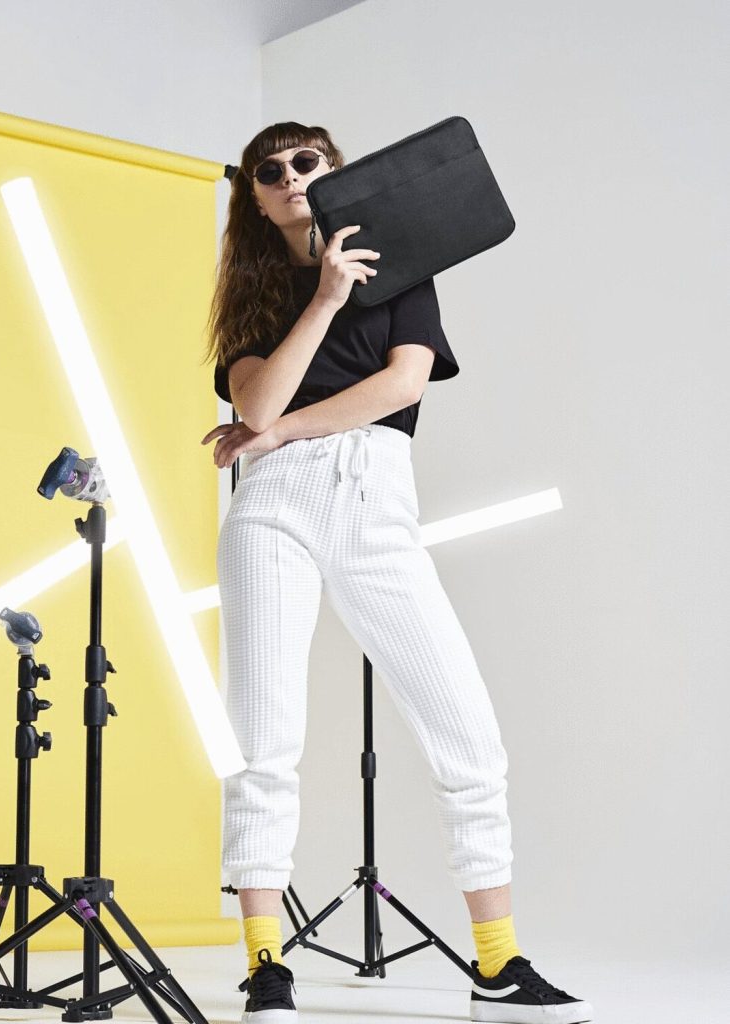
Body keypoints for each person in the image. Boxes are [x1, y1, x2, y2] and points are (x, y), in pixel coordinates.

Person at [201, 122, 594, 1024]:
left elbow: (400, 386)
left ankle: (496, 958)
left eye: (308, 162)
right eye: (272, 171)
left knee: (467, 734)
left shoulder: (406, 268)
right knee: (264, 743)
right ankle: (266, 962)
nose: (292, 176)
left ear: (338, 174)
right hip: (272, 512)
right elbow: (254, 398)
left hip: (376, 500)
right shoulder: (254, 302)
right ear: (256, 200)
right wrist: (325, 298)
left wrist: (285, 426)